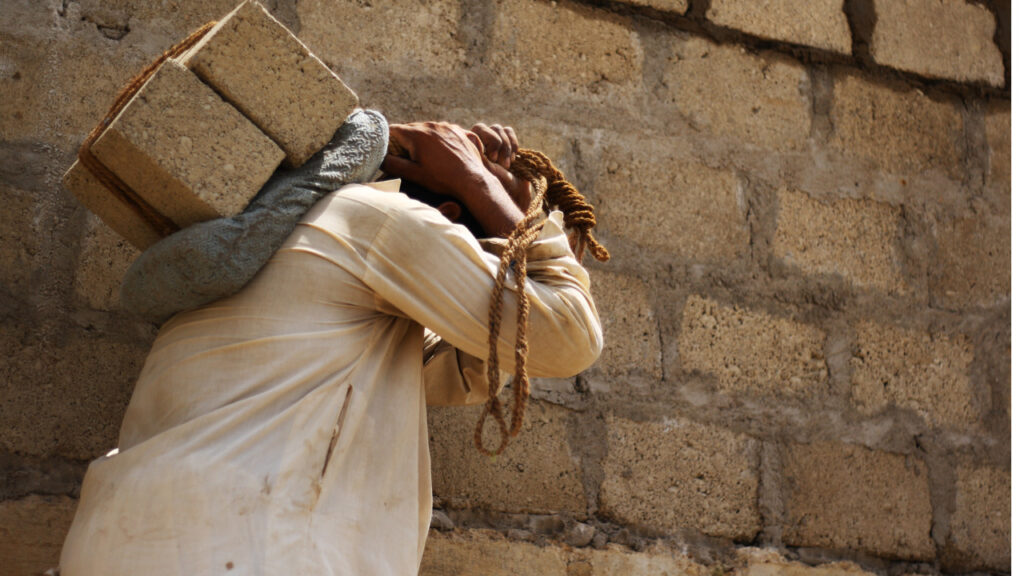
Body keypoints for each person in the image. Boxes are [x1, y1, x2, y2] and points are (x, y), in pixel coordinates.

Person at [59, 117, 603, 575]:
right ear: (452, 221)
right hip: (250, 546)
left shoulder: (271, 242)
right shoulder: (377, 222)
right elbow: (566, 335)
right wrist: (492, 195)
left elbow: (461, 367)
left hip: (128, 540)